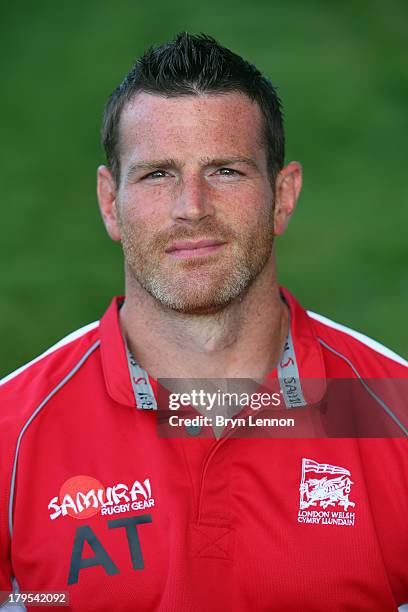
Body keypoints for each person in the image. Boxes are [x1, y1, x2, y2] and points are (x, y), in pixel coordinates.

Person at [0, 32, 407, 612]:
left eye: (226, 171)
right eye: (157, 174)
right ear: (110, 202)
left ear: (282, 196)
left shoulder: (392, 409)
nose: (192, 206)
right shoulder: (11, 433)